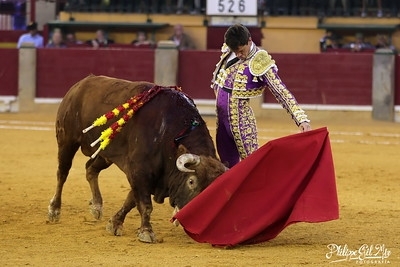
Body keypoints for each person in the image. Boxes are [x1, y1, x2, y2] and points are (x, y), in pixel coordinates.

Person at [210, 24, 311, 168]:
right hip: (221, 121)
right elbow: (217, 78)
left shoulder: (260, 61)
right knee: (226, 166)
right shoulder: (229, 51)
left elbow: (280, 91)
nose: (239, 55)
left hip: (242, 123)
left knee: (252, 166)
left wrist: (301, 119)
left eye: (241, 51)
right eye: (235, 51)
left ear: (249, 41)